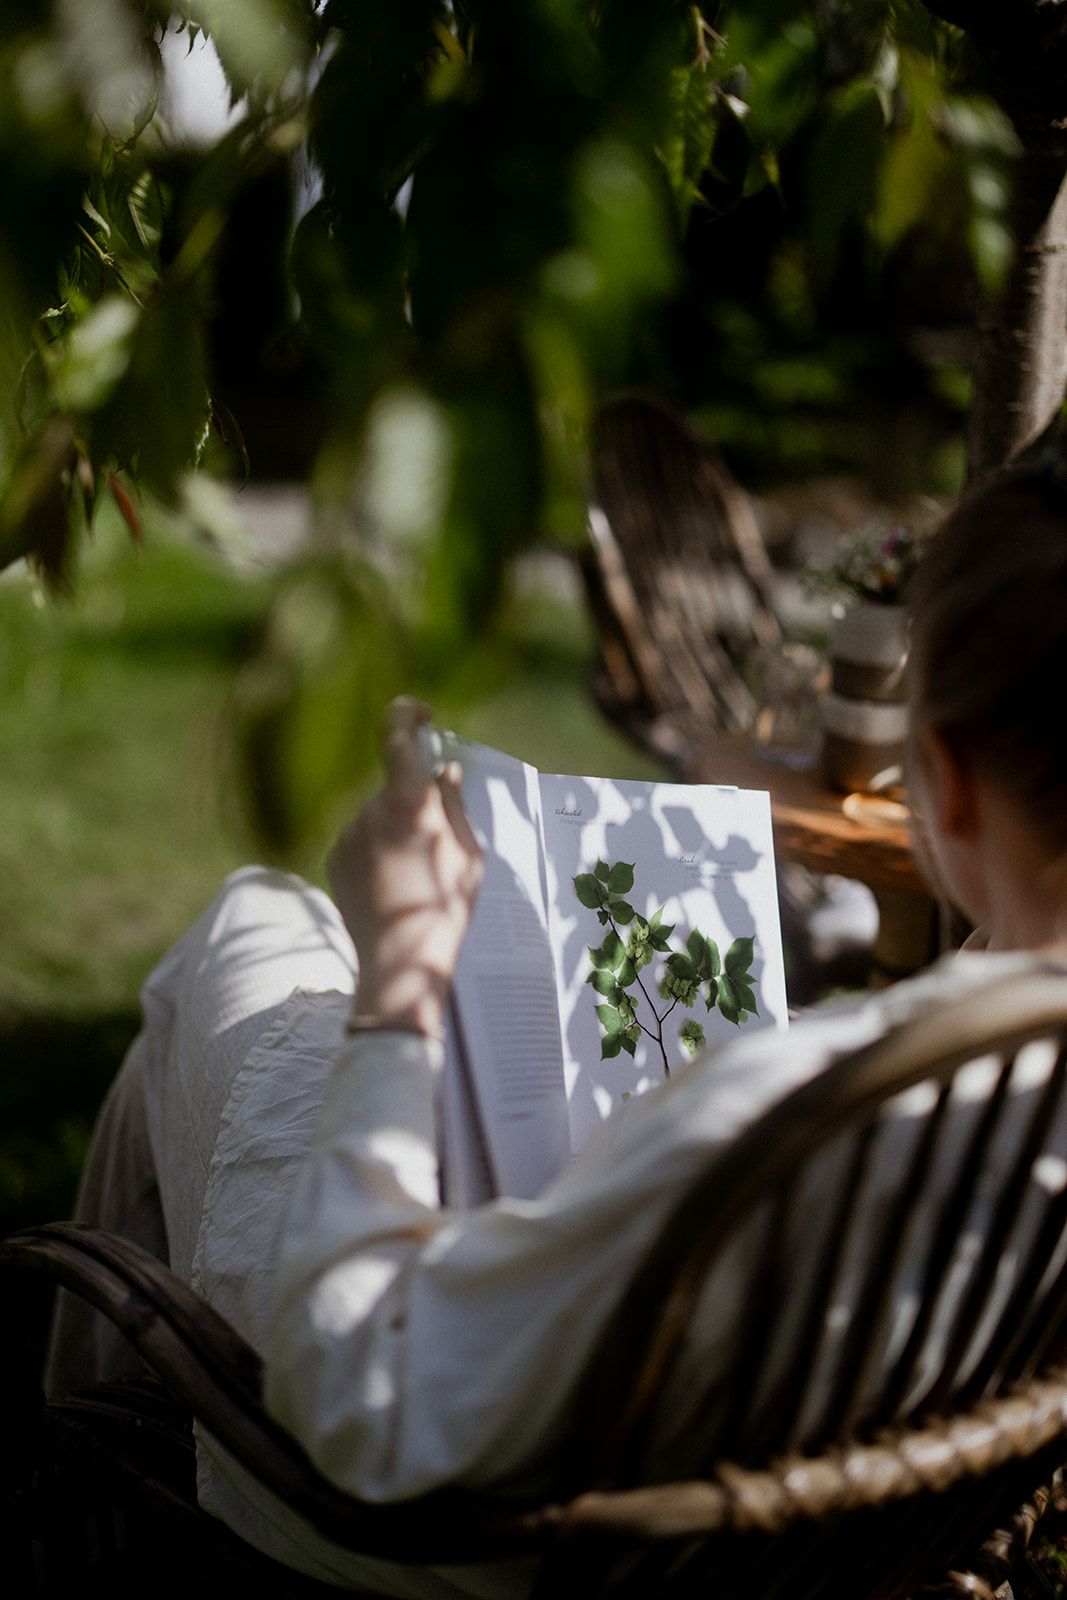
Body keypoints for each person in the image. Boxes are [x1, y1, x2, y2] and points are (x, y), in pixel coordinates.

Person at [47, 460, 1067, 1597]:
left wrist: (401, 982)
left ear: (947, 781)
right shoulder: (994, 1086)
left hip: (472, 1529)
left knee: (255, 917)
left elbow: (358, 1395)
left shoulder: (798, 1112)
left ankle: (94, 1503)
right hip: (818, 1516)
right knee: (203, 1033)